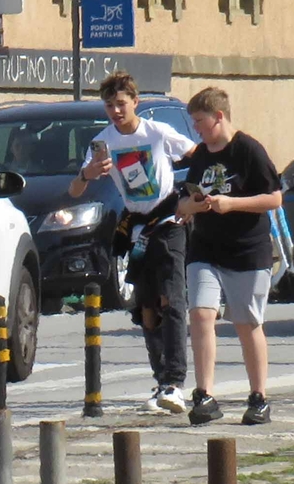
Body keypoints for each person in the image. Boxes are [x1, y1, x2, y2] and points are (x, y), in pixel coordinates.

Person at [69, 69, 199, 414]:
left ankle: (176, 382)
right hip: (136, 227)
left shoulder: (156, 132)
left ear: (135, 102)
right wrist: (89, 173)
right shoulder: (104, 141)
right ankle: (161, 380)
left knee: (171, 299)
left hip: (169, 219)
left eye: (121, 103)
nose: (116, 111)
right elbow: (75, 189)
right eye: (109, 105)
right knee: (145, 308)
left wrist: (194, 197)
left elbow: (196, 155)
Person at [175, 86, 280, 426]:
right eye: (194, 122)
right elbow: (183, 201)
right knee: (201, 315)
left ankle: (259, 397)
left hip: (247, 249)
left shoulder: (248, 150)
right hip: (206, 248)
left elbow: (274, 198)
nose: (197, 129)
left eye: (200, 121)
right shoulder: (202, 155)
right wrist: (193, 205)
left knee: (246, 323)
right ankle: (204, 394)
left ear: (219, 117)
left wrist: (232, 203)